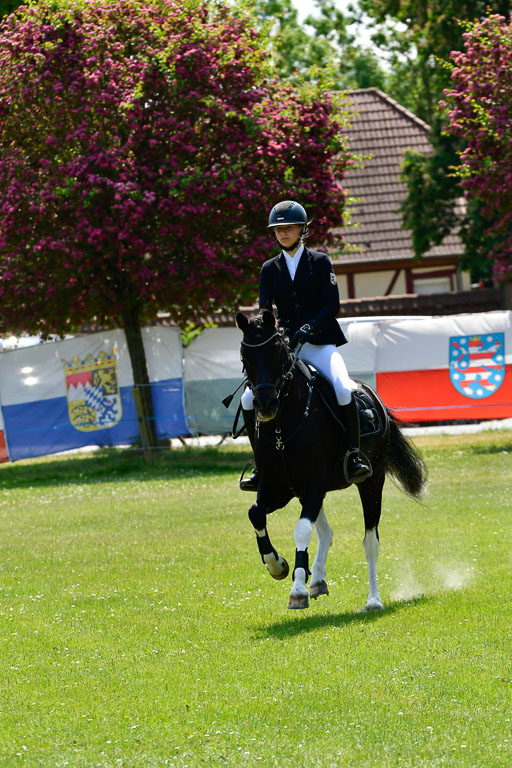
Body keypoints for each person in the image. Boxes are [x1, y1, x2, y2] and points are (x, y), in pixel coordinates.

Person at [240, 199, 372, 491]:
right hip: (287, 349)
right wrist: (267, 330)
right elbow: (265, 308)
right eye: (278, 229)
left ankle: (354, 455)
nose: (283, 233)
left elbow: (332, 305)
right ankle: (261, 464)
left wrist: (308, 328)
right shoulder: (269, 269)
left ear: (301, 229)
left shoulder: (320, 262)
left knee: (343, 388)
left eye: (289, 228)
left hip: (321, 344)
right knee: (248, 399)